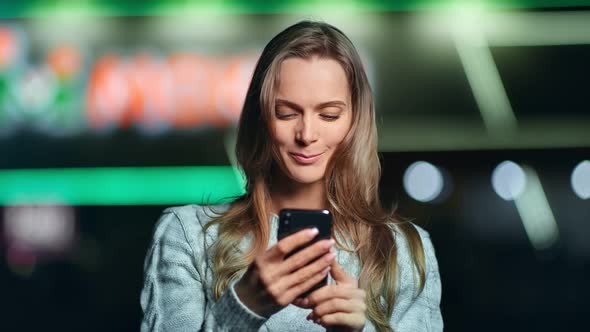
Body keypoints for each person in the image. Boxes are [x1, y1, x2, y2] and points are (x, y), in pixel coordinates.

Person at [140, 20, 442, 332]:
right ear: (261, 117)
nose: (307, 134)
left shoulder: (402, 249)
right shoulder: (190, 235)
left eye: (329, 115)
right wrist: (243, 307)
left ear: (355, 120)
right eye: (286, 113)